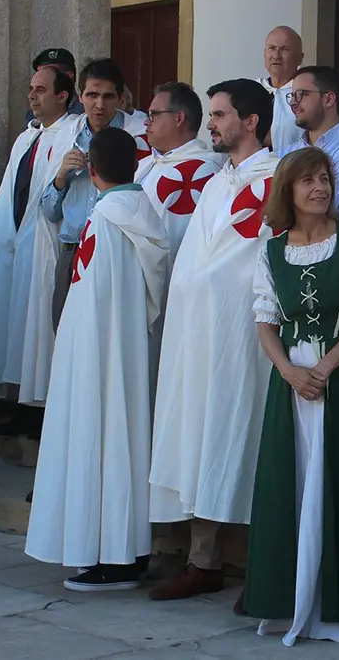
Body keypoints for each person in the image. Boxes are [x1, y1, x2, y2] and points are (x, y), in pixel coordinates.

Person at [243, 147, 339, 646]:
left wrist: (323, 367)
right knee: (297, 483)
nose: (320, 188)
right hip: (292, 385)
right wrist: (289, 370)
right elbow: (265, 319)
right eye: (308, 180)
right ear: (288, 189)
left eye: (325, 178)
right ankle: (292, 604)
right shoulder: (272, 249)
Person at [147, 79, 279, 604]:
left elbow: (254, 252)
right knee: (197, 431)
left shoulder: (274, 177)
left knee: (229, 432)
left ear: (250, 122)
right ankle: (190, 552)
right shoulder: (220, 180)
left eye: (221, 115)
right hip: (196, 330)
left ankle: (215, 559)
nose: (211, 124)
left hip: (236, 331)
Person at [24, 128, 170, 591]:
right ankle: (126, 551)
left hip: (96, 354)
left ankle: (113, 557)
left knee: (102, 441)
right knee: (123, 444)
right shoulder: (142, 208)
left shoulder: (106, 216)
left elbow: (92, 295)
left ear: (91, 169)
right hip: (126, 348)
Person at [0, 66, 75, 435]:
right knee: (16, 320)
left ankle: (42, 407)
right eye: (31, 90)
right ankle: (20, 401)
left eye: (41, 90)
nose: (32, 96)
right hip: (16, 238)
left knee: (39, 324)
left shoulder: (72, 133)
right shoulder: (26, 138)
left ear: (63, 95)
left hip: (46, 241)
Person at [37, 58, 130, 332]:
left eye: (107, 96)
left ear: (120, 98)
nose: (99, 105)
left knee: (107, 334)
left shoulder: (137, 137)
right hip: (72, 249)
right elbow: (50, 212)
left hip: (115, 250)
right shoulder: (66, 136)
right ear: (80, 96)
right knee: (66, 334)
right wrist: (61, 176)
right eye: (92, 95)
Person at [133, 81, 224, 269]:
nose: (146, 121)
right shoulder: (143, 164)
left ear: (179, 118)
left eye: (154, 115)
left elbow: (180, 235)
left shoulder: (203, 170)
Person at [280, 66, 339, 219]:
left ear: (328, 99)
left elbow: (332, 206)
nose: (293, 103)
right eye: (292, 95)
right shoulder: (286, 153)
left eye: (302, 94)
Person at [261, 26, 307, 154]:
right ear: (264, 54)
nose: (276, 56)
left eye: (284, 49)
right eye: (271, 48)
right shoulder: (251, 89)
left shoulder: (307, 94)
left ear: (300, 58)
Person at [23, 47, 84, 124]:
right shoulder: (32, 115)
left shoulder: (85, 114)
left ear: (69, 75)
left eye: (49, 72)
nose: (31, 96)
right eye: (39, 72)